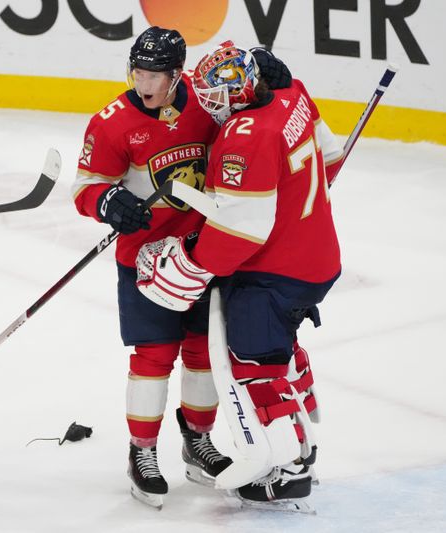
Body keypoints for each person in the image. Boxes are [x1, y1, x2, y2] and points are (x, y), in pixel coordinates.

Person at [135, 40, 344, 510]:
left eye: (214, 93)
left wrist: (190, 262)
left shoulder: (244, 135)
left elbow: (236, 235)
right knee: (280, 345)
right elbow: (329, 161)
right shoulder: (293, 97)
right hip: (318, 257)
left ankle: (290, 470)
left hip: (273, 274)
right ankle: (305, 419)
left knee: (256, 366)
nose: (207, 102)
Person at [72, 26, 233, 509]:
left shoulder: (206, 106)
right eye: (138, 72)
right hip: (144, 260)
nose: (144, 85)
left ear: (177, 74)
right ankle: (141, 452)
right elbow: (85, 188)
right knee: (154, 356)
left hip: (202, 252)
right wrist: (110, 201)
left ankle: (197, 440)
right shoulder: (111, 122)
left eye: (154, 76)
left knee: (203, 352)